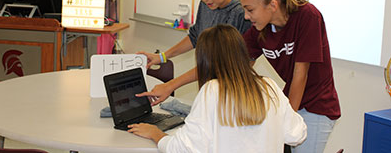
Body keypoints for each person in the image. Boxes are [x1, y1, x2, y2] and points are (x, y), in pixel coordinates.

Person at [128, 24, 307, 152]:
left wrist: (156, 134)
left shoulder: (213, 90)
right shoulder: (269, 86)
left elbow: (183, 149)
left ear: (205, 60)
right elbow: (297, 134)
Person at [240, 0, 341, 153]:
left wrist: (288, 120)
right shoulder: (259, 28)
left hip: (316, 106)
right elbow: (240, 62)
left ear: (272, 5)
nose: (247, 16)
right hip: (290, 102)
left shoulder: (308, 17)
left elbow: (300, 74)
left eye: (250, 10)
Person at [137, 0, 251, 104]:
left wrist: (170, 85)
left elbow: (215, 64)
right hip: (209, 90)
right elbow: (195, 37)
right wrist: (163, 57)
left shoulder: (240, 14)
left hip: (231, 95)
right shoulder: (207, 4)